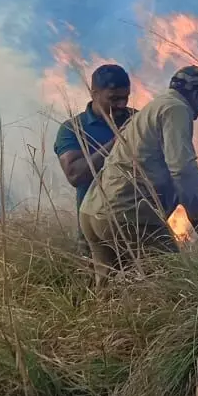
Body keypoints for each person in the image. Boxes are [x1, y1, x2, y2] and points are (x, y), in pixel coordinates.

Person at [79, 65, 198, 283]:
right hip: (127, 215)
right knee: (175, 283)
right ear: (197, 94)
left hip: (93, 212)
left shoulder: (157, 105)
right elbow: (183, 170)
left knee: (109, 294)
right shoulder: (177, 108)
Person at [53, 64, 137, 257]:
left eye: (125, 97)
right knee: (101, 285)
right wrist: (118, 141)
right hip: (95, 235)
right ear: (94, 93)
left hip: (140, 229)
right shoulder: (73, 129)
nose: (121, 105)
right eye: (114, 98)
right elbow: (75, 175)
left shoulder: (138, 121)